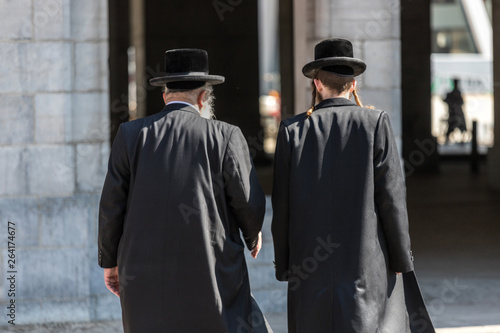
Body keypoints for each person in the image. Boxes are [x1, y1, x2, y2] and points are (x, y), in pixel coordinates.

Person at [98, 48, 272, 333]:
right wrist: (253, 234)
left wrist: (110, 261)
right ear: (204, 97)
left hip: (143, 270)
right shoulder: (225, 135)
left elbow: (111, 206)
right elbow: (247, 199)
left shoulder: (130, 135)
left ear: (165, 95)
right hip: (209, 266)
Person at [271, 38, 435, 332]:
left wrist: (284, 264)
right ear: (353, 84)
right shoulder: (375, 123)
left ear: (317, 83)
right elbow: (392, 199)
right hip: (365, 262)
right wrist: (400, 258)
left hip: (309, 265)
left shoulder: (291, 131)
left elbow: (281, 205)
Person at [444, 78, 467, 143]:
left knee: (462, 126)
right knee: (451, 127)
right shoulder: (451, 94)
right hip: (453, 115)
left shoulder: (458, 94)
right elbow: (447, 101)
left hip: (458, 115)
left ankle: (463, 139)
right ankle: (448, 139)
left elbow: (461, 103)